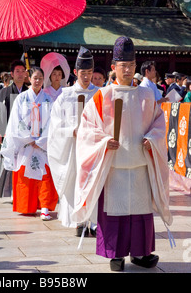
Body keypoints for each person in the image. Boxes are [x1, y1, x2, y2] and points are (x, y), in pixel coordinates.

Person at [72, 37, 173, 272]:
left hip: (139, 163)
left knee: (140, 212)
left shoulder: (147, 96)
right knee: (115, 212)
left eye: (131, 65)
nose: (127, 70)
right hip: (114, 165)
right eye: (122, 65)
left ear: (136, 65)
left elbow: (159, 124)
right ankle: (115, 254)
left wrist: (153, 139)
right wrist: (105, 141)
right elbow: (88, 128)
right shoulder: (102, 96)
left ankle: (141, 253)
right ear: (113, 67)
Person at [47, 46, 98, 235]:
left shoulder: (99, 94)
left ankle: (93, 221)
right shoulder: (65, 96)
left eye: (90, 73)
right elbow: (55, 127)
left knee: (93, 182)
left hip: (94, 147)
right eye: (83, 73)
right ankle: (79, 221)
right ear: (76, 72)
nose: (87, 77)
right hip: (73, 148)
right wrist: (72, 131)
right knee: (76, 182)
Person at [0, 67, 58, 220]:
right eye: (35, 78)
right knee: (27, 177)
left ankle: (44, 207)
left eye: (40, 78)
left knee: (45, 176)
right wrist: (30, 138)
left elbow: (53, 122)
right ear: (29, 78)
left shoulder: (48, 100)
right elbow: (15, 122)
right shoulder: (21, 98)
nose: (37, 81)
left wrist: (41, 140)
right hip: (26, 144)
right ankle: (27, 206)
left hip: (42, 145)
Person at [0, 60, 28, 198]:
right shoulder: (3, 92)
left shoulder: (29, 92)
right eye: (17, 71)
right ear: (12, 74)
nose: (20, 74)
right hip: (9, 133)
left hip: (25, 135)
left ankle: (22, 192)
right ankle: (9, 192)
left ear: (26, 73)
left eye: (22, 71)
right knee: (8, 162)